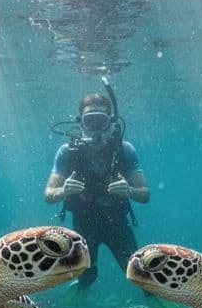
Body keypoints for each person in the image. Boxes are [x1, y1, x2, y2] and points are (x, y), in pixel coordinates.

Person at [45, 92, 151, 296]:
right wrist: (63, 191)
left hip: (117, 222)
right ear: (80, 123)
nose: (95, 130)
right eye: (89, 121)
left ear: (111, 123)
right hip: (84, 224)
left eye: (101, 121)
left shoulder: (124, 150)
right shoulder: (67, 152)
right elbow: (49, 194)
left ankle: (153, 297)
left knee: (139, 273)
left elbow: (145, 194)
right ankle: (83, 284)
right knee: (87, 274)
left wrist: (128, 190)